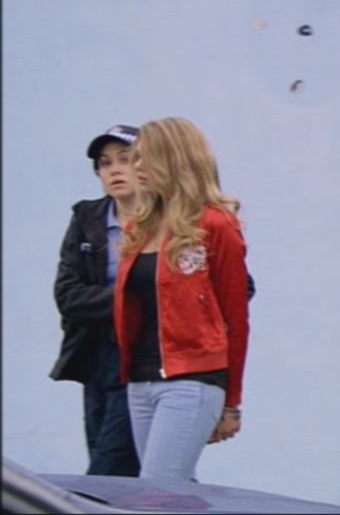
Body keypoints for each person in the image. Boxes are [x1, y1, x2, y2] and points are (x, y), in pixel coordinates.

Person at [114, 116, 252, 481]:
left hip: (192, 380)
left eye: (144, 157)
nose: (135, 166)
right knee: (172, 494)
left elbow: (236, 319)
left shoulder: (215, 225)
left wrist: (232, 402)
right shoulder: (140, 228)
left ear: (173, 159)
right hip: (140, 381)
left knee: (156, 494)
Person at [51, 125, 143, 477]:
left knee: (108, 470)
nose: (115, 170)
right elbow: (68, 295)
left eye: (125, 159)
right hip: (95, 353)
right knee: (115, 468)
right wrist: (134, 301)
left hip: (145, 357)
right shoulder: (86, 219)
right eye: (105, 163)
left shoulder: (172, 219)